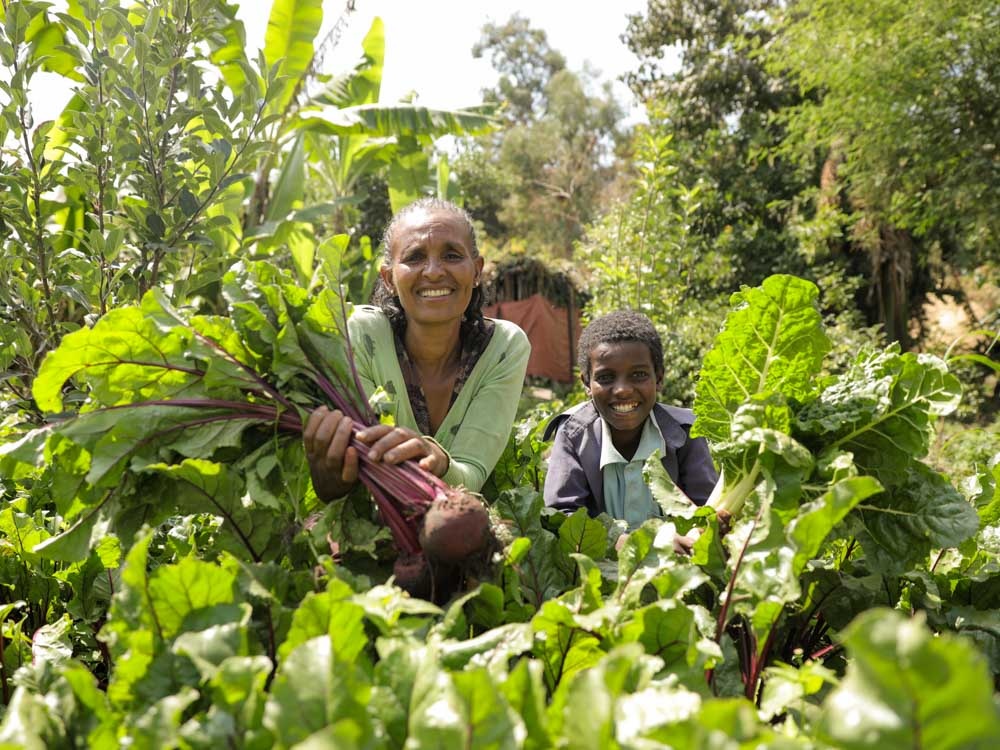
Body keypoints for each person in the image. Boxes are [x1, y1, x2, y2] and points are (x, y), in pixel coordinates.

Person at [305, 198, 530, 501]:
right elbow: (358, 472)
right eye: (414, 257)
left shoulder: (504, 347)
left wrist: (439, 460)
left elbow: (471, 474)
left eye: (451, 255)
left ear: (476, 271)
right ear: (388, 280)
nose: (434, 272)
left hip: (456, 533)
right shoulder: (359, 335)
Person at [542, 310, 717, 529]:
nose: (623, 390)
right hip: (598, 561)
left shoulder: (684, 433)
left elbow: (707, 510)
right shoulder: (573, 435)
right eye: (605, 378)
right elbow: (561, 514)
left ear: (659, 378)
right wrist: (620, 543)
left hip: (676, 560)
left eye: (638, 375)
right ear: (587, 383)